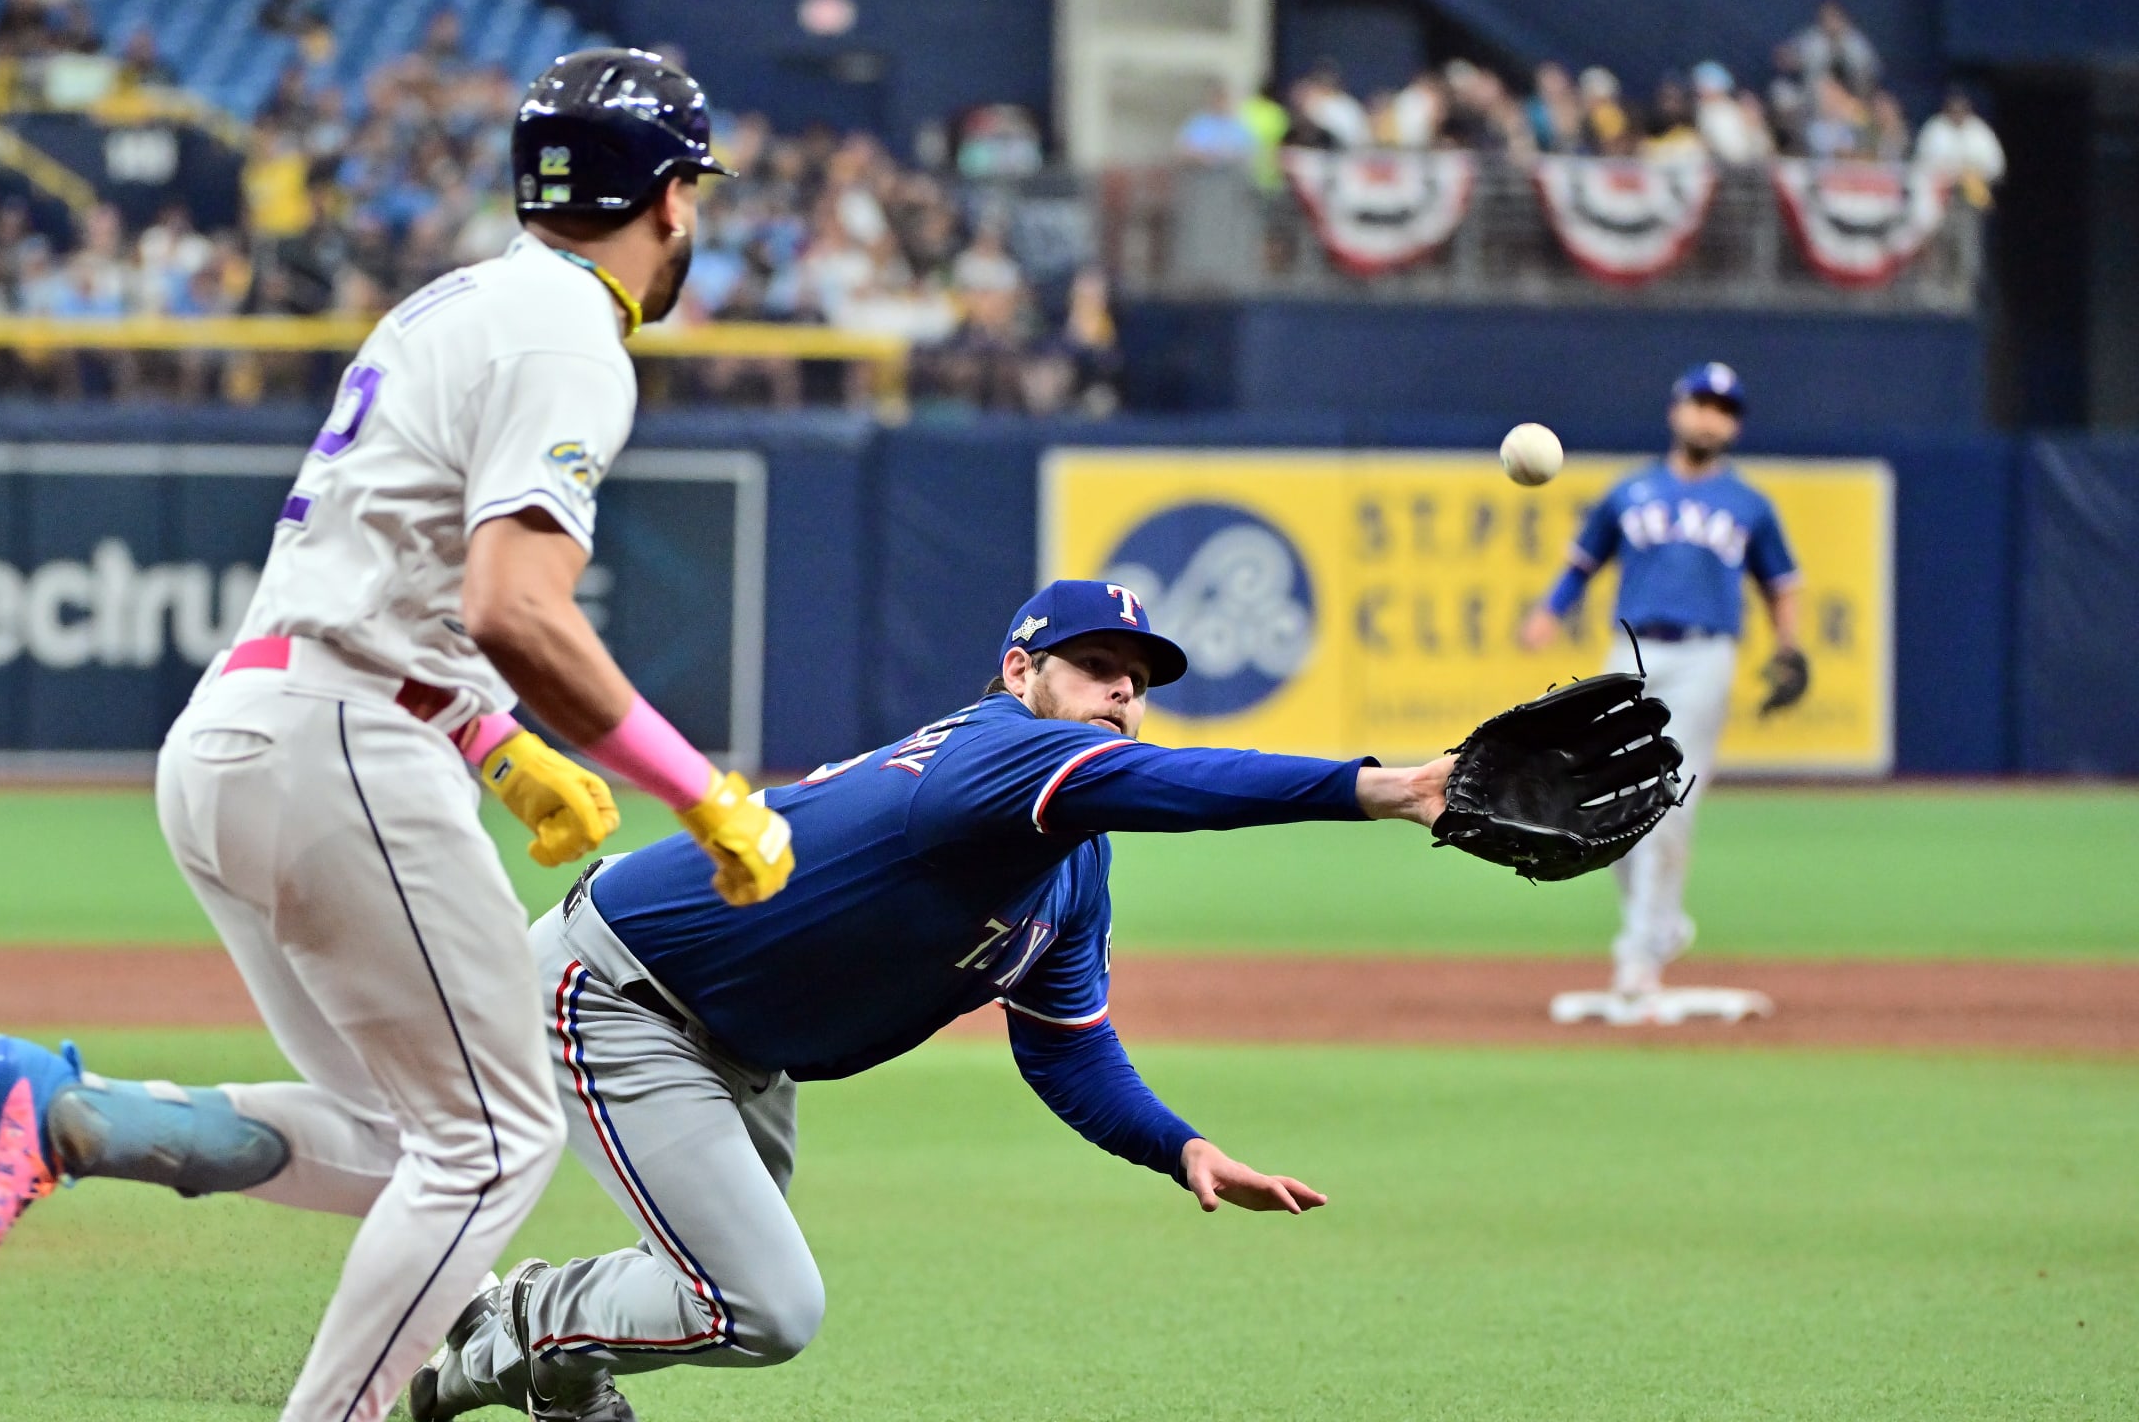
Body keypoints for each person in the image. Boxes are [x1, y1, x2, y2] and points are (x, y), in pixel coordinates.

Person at [0, 49, 793, 1422]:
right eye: (695, 194)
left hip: (242, 735)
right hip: (341, 751)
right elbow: (512, 604)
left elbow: (388, 585)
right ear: (673, 196)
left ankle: (63, 1116)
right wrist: (700, 789)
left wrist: (501, 751)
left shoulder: (453, 305)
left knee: (408, 1142)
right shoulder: (572, 332)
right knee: (497, 1146)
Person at [409, 579, 1457, 1419]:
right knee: (763, 1305)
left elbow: (1065, 1048)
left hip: (739, 1039)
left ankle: (497, 1369)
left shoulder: (1071, 871)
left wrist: (1176, 1146)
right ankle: (521, 1321)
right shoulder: (991, 755)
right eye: (1096, 667)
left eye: (1137, 681)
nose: (1121, 695)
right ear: (1019, 671)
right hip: (621, 993)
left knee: (707, 1279)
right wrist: (1380, 788)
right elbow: (1184, 787)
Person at [1517, 363, 1805, 1014]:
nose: (1709, 417)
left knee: (1665, 799)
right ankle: (1661, 926)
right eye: (1700, 403)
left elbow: (1782, 585)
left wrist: (1791, 651)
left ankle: (1638, 959)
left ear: (1733, 426)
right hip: (1633, 650)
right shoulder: (1631, 492)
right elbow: (1581, 564)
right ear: (1676, 411)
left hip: (1707, 654)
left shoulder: (1749, 505)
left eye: (1723, 409)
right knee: (1609, 802)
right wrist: (1547, 611)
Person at [1915, 86, 2005, 204]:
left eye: (1961, 109)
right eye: (1953, 109)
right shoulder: (1935, 128)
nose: (1957, 113)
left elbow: (1996, 166)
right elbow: (1922, 163)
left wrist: (1970, 174)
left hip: (1972, 188)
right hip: (1939, 188)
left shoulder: (1979, 130)